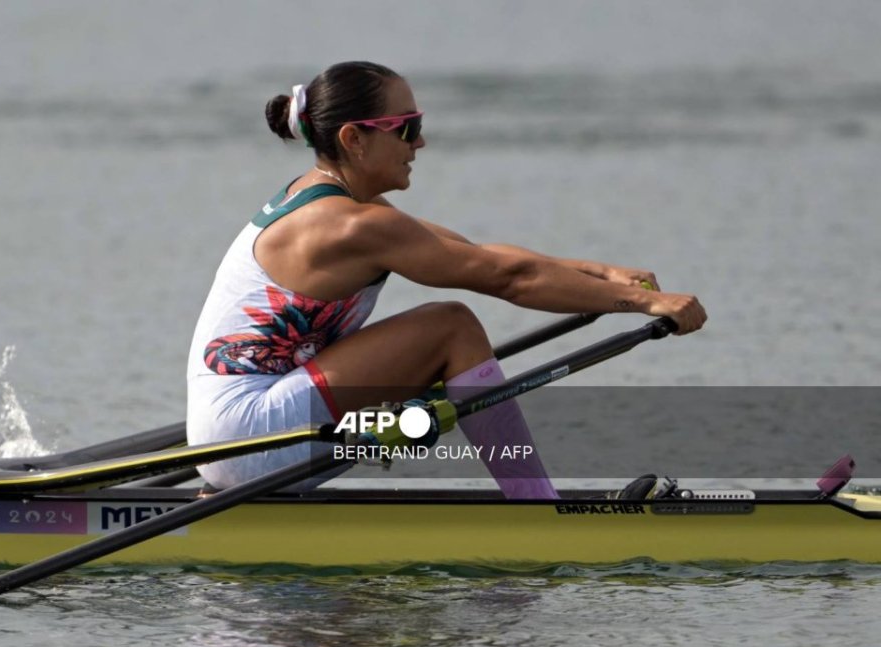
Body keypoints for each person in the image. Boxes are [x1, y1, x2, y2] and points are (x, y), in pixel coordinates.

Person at [185, 61, 706, 497]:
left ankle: (490, 477)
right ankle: (535, 506)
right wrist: (640, 305)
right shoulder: (349, 225)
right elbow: (509, 281)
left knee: (443, 367)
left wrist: (603, 273)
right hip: (248, 435)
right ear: (354, 138)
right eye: (406, 127)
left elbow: (474, 255)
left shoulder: (342, 206)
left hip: (242, 436)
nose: (422, 141)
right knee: (451, 328)